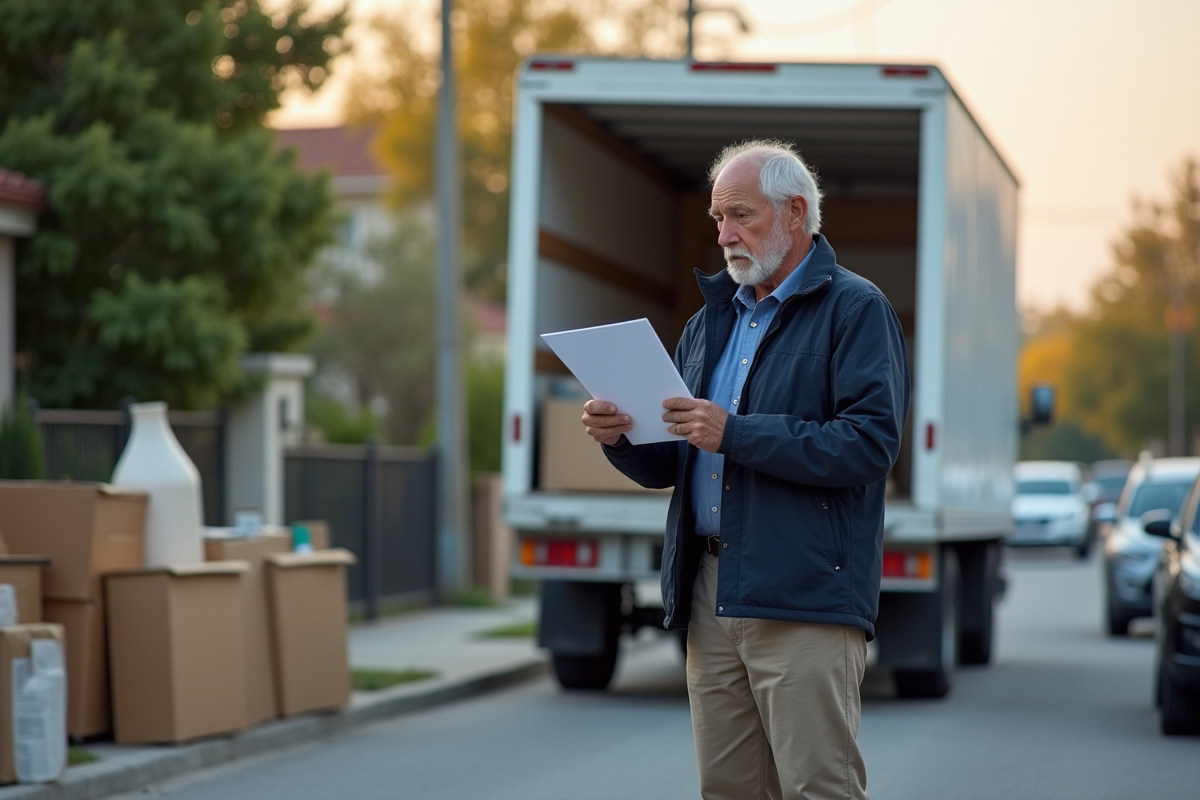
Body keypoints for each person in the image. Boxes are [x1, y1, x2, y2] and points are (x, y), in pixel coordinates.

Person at [581, 139, 910, 800]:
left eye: (741, 215)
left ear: (795, 213)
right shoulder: (710, 323)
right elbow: (678, 459)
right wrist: (620, 438)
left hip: (805, 594)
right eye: (717, 218)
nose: (725, 233)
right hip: (711, 589)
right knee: (728, 790)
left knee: (819, 787)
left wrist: (737, 433)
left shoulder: (855, 309)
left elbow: (868, 445)